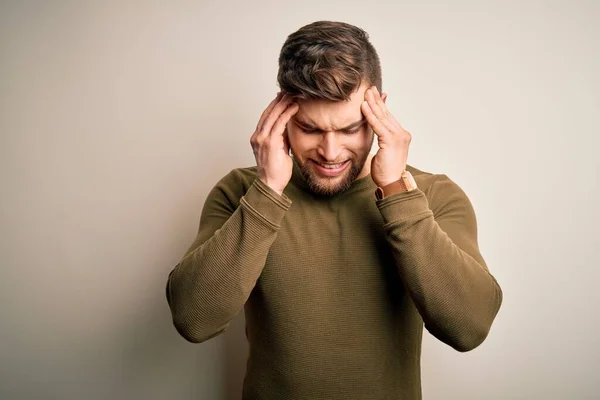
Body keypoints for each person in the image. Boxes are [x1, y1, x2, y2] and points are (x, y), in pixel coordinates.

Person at [166, 20, 503, 400]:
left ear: (379, 113)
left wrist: (396, 192)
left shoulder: (432, 195)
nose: (330, 152)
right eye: (310, 129)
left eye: (350, 129)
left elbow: (469, 328)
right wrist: (267, 191)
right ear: (282, 116)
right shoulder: (241, 193)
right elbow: (194, 320)